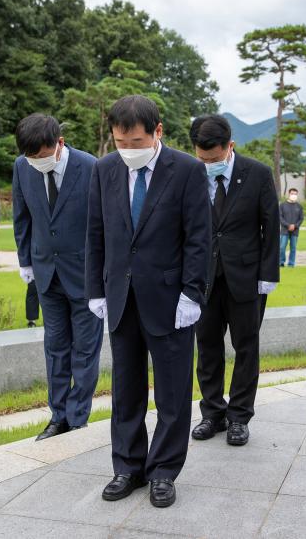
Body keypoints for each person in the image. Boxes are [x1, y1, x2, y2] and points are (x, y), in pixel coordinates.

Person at [86, 95, 210, 508]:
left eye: (136, 141)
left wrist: (192, 293)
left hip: (171, 300)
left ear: (158, 132)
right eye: (120, 142)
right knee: (126, 389)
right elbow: (96, 233)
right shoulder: (105, 169)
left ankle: (163, 472)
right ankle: (127, 466)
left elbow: (199, 237)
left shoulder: (188, 170)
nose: (128, 150)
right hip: (121, 297)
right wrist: (95, 289)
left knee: (172, 393)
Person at [189, 114, 280, 447]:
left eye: (214, 158)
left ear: (231, 147)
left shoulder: (256, 174)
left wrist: (268, 275)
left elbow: (271, 226)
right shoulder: (191, 173)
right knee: (207, 347)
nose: (208, 164)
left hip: (247, 278)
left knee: (246, 348)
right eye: (203, 159)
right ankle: (212, 412)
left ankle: (240, 416)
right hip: (204, 280)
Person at [12, 113, 103, 440]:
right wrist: (25, 261)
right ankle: (57, 415)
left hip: (85, 276)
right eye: (30, 157)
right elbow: (21, 218)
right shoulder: (22, 167)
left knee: (85, 349)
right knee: (55, 347)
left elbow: (103, 224)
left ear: (59, 143)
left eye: (42, 156)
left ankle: (77, 417)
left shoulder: (91, 166)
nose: (36, 162)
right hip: (45, 274)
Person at [279, 188, 304, 267]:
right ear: (289, 194)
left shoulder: (299, 206)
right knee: (282, 247)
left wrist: (295, 226)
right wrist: (288, 225)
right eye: (292, 193)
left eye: (295, 194)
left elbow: (301, 218)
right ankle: (281, 262)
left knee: (293, 248)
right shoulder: (282, 205)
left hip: (295, 231)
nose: (294, 195)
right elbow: (280, 217)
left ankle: (291, 263)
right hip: (284, 230)